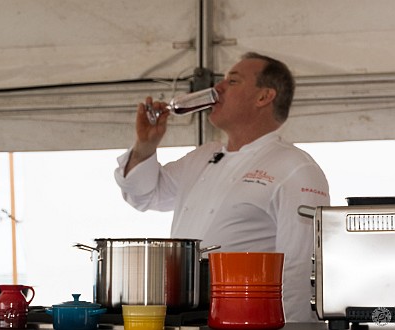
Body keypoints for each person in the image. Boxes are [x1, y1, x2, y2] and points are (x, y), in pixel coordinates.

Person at [114, 52, 330, 322]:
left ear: (264, 97)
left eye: (233, 81)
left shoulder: (295, 168)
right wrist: (145, 145)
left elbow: (298, 268)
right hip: (188, 317)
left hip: (251, 323)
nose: (216, 88)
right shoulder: (203, 156)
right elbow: (145, 196)